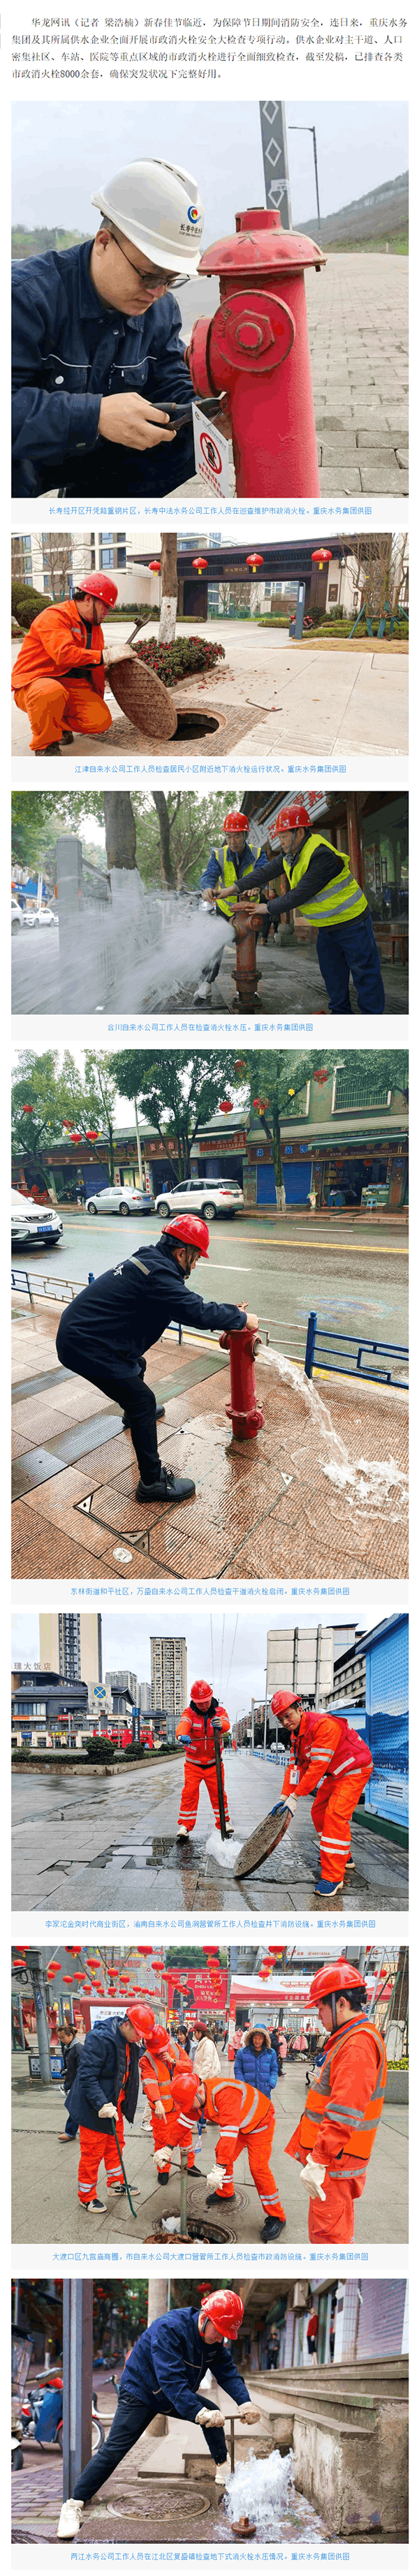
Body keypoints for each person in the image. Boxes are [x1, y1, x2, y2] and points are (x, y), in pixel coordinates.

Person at [12, 159, 205, 500]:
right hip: (28, 458)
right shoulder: (25, 297)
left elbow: (170, 379)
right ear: (103, 242)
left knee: (188, 440)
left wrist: (203, 413)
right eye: (148, 275)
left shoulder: (161, 308)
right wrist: (95, 415)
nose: (158, 291)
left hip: (102, 457)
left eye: (171, 280)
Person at [55, 1213, 258, 1509]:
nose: (196, 1264)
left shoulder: (151, 1260)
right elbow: (196, 1312)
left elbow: (181, 1303)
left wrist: (227, 1312)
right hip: (84, 1344)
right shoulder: (159, 1275)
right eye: (196, 1258)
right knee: (142, 1401)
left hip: (89, 1334)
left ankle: (134, 1417)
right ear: (181, 1253)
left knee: (137, 1367)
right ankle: (152, 1483)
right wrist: (242, 1318)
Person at [57, 2289, 260, 2538]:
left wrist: (245, 2402)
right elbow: (171, 2380)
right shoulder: (170, 2328)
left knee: (214, 2414)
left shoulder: (215, 2342)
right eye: (219, 2332)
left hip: (174, 2392)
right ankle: (74, 2504)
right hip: (141, 2392)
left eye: (226, 2335)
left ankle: (222, 2471)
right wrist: (198, 2412)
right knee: (115, 2449)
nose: (220, 2339)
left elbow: (227, 2372)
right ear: (205, 2317)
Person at [243, 803, 385, 1014]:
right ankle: (341, 1016)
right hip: (326, 927)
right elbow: (263, 873)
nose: (280, 843)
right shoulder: (290, 856)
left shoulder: (321, 854)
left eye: (283, 837)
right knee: (333, 976)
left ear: (300, 832)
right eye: (278, 837)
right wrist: (233, 888)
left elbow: (300, 894)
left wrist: (266, 907)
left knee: (365, 974)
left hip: (353, 923)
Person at [286, 1960, 388, 2244]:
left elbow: (344, 2112)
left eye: (320, 2006)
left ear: (341, 2003)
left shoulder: (356, 2045)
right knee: (336, 2232)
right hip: (337, 2159)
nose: (318, 2014)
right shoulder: (351, 2039)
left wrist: (319, 2159)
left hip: (335, 2162)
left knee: (328, 2239)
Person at [172, 2046, 286, 2242]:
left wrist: (219, 2168)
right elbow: (183, 2123)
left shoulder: (225, 2095)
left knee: (258, 2168)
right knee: (222, 2154)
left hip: (260, 2124)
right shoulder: (197, 2096)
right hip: (242, 2124)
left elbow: (229, 2136)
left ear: (199, 2091)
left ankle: (277, 2216)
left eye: (190, 2104)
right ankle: (226, 2192)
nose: (189, 2108)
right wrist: (166, 2148)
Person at [270, 1689, 374, 1896]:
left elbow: (317, 1767)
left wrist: (296, 1797)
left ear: (300, 1710)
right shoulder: (296, 1737)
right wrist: (284, 1797)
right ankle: (343, 1857)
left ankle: (333, 1877)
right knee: (318, 1811)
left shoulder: (323, 1725)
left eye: (288, 1715)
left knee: (335, 1816)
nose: (285, 1722)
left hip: (355, 1769)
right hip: (336, 1774)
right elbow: (295, 1769)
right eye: (281, 1719)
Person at [11, 572, 119, 758]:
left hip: (69, 684)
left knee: (100, 720)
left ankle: (55, 724)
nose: (107, 612)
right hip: (35, 682)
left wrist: (109, 667)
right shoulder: (54, 616)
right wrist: (104, 656)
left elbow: (92, 663)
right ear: (88, 599)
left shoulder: (94, 626)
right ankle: (46, 745)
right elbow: (64, 654)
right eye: (106, 607)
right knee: (50, 692)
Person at [66, 2008, 142, 2212]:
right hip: (94, 2106)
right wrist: (102, 2104)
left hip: (114, 2105)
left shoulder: (131, 2041)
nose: (140, 2038)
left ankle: (115, 2183)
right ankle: (87, 2196)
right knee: (92, 2152)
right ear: (127, 2024)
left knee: (115, 2146)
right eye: (138, 2033)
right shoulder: (100, 2038)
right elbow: (86, 2076)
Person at [195, 812, 269, 1002]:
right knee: (213, 946)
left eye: (237, 836)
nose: (233, 841)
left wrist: (257, 886)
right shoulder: (218, 854)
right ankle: (206, 983)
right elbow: (210, 874)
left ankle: (246, 988)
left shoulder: (259, 854)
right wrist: (208, 888)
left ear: (245, 835)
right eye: (229, 836)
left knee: (248, 950)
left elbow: (264, 874)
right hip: (224, 909)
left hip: (250, 911)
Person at [136, 2005, 200, 2185]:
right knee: (162, 2140)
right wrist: (156, 2103)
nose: (160, 2052)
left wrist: (174, 2062)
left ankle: (189, 2165)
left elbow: (189, 2067)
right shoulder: (146, 2059)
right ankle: (163, 2169)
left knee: (186, 2137)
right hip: (163, 2110)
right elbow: (149, 2083)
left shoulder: (176, 2048)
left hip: (182, 2105)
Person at [175, 1679, 233, 1838]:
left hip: (214, 1764)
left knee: (219, 1795)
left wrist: (221, 1724)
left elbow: (227, 1723)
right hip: (193, 1765)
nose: (203, 1705)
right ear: (194, 1700)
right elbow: (183, 1724)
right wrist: (181, 1736)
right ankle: (185, 1826)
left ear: (211, 1697)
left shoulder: (219, 1711)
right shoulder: (189, 1713)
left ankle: (224, 1823)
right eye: (199, 1702)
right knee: (189, 1794)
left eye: (206, 1702)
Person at [59, 2029, 84, 2142]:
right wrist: (64, 2070)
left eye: (63, 2037)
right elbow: (69, 2065)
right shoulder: (69, 2047)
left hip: (79, 2084)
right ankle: (74, 2132)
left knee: (75, 2108)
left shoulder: (78, 2049)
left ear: (71, 2035)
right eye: (60, 2038)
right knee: (77, 2109)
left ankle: (71, 2132)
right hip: (73, 2084)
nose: (61, 2040)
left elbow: (82, 2068)